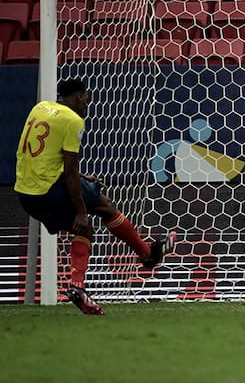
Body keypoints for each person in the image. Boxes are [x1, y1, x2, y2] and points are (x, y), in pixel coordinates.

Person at [15, 78, 176, 315]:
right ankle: (147, 255)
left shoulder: (39, 108)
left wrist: (80, 178)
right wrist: (80, 211)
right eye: (86, 99)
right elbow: (69, 170)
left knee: (85, 229)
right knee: (104, 207)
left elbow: (45, 156)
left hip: (25, 193)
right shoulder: (73, 120)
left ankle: (79, 287)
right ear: (79, 97)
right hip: (49, 189)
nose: (86, 104)